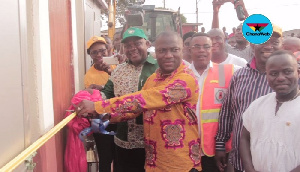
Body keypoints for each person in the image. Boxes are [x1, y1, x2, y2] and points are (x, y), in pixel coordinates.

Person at [76, 31, 202, 172]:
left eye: (174, 50)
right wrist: (105, 116)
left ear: (183, 50)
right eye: (162, 50)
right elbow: (136, 110)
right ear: (155, 52)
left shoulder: (186, 79)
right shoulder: (153, 79)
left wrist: (98, 106)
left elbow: (144, 99)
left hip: (181, 164)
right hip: (153, 162)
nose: (168, 55)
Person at [215, 26, 283, 172]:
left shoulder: (292, 80)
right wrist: (220, 145)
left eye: (274, 41)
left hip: (276, 163)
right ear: (252, 44)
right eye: (263, 40)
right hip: (239, 161)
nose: (268, 46)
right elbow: (227, 113)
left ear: (281, 45)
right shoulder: (239, 76)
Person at [101, 27, 158, 172]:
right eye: (127, 45)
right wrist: (91, 99)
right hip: (123, 141)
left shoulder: (159, 69)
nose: (132, 48)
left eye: (137, 43)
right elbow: (106, 93)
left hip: (153, 143)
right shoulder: (119, 70)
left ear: (147, 44)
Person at [240, 50, 300, 172]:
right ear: (266, 76)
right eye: (273, 73)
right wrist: (249, 168)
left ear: (298, 73)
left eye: (287, 71)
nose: (281, 78)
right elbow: (244, 138)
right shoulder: (258, 104)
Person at [188, 32, 237, 172]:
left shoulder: (229, 71)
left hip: (217, 150)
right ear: (189, 49)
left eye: (206, 46)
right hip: (187, 149)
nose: (202, 50)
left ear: (211, 49)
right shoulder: (181, 74)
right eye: (197, 46)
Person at [84, 36, 116, 172]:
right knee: (104, 157)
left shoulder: (116, 66)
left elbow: (124, 90)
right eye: (94, 52)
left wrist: (102, 86)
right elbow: (93, 99)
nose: (99, 55)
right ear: (90, 55)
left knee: (119, 156)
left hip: (120, 117)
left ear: (108, 50)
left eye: (102, 51)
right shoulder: (89, 76)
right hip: (100, 120)